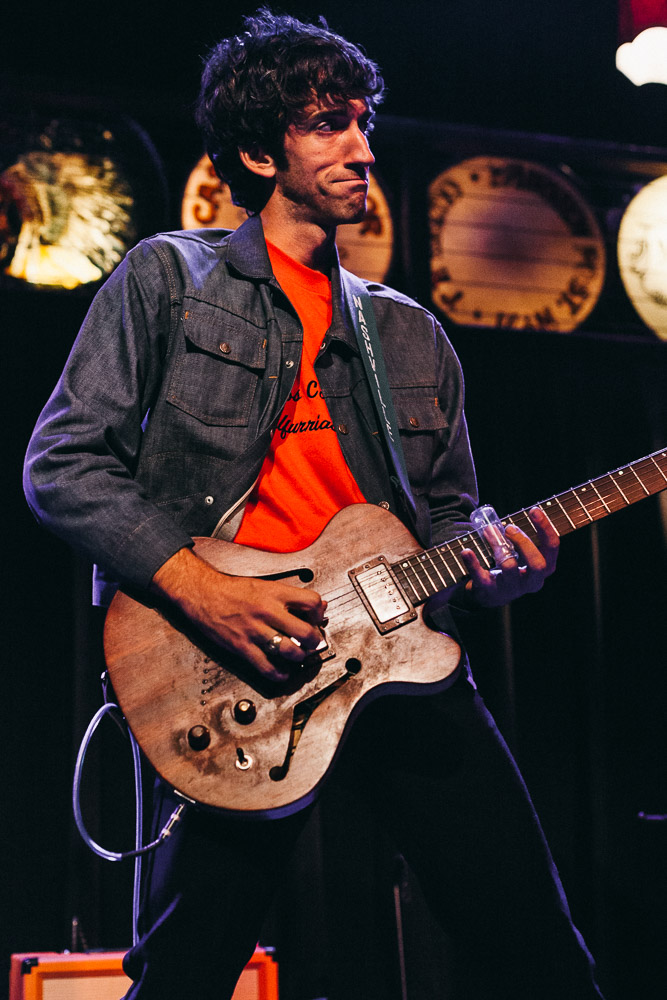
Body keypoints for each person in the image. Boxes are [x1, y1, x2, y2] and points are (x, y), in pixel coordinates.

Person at [23, 9, 606, 999]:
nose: (363, 147)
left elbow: (455, 513)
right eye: (329, 122)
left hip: (401, 663)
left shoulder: (410, 333)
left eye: (363, 120)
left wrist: (508, 563)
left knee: (536, 950)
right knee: (187, 972)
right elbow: (63, 464)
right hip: (239, 672)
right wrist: (208, 593)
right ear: (258, 149)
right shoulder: (170, 279)